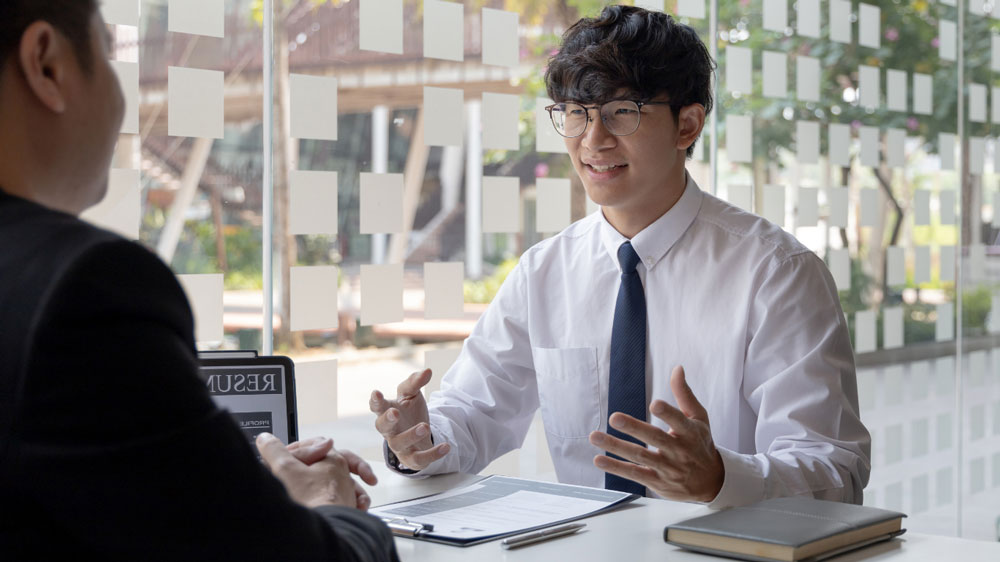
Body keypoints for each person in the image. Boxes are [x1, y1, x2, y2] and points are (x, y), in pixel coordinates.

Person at [371, 5, 871, 508]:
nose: (593, 140)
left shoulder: (776, 274)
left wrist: (720, 479)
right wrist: (422, 439)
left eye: (621, 113)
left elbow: (834, 468)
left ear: (687, 125)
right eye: (575, 114)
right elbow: (473, 411)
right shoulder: (544, 272)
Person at [0, 2, 398, 560]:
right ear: (45, 64)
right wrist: (326, 502)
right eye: (111, 57)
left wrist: (228, 477)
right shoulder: (84, 287)